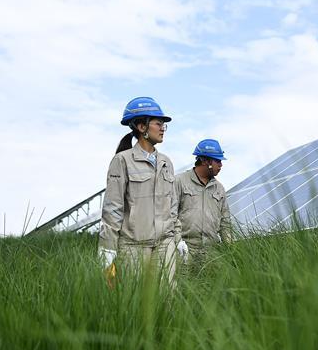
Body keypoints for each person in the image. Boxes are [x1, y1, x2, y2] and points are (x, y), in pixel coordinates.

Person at [98, 96, 186, 285]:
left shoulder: (166, 162)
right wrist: (107, 248)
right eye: (158, 123)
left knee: (166, 300)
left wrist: (178, 239)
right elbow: (113, 208)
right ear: (141, 127)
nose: (163, 128)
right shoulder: (122, 161)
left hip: (165, 244)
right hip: (133, 247)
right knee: (135, 301)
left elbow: (172, 208)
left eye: (164, 124)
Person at [175, 139, 235, 263]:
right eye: (217, 160)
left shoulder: (219, 188)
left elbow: (225, 222)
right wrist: (177, 242)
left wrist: (230, 249)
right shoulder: (179, 182)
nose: (221, 165)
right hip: (184, 251)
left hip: (211, 254)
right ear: (205, 160)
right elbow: (169, 215)